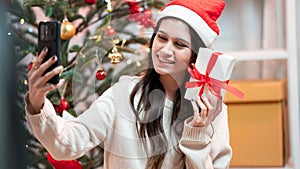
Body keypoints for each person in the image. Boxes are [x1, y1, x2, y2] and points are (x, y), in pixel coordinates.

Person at [25, 0, 232, 168]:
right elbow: (66, 144)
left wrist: (198, 132)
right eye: (161, 38)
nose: (165, 50)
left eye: (179, 44)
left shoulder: (210, 107)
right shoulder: (123, 94)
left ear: (195, 54)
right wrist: (37, 102)